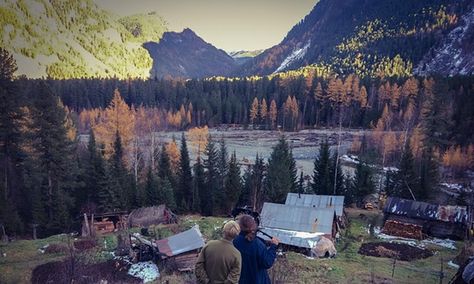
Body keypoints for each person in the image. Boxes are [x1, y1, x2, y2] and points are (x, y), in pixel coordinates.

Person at [233, 214, 279, 284]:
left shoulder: (234, 241)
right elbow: (267, 262)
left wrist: (265, 243)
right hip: (257, 280)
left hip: (240, 279)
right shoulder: (258, 245)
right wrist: (273, 247)